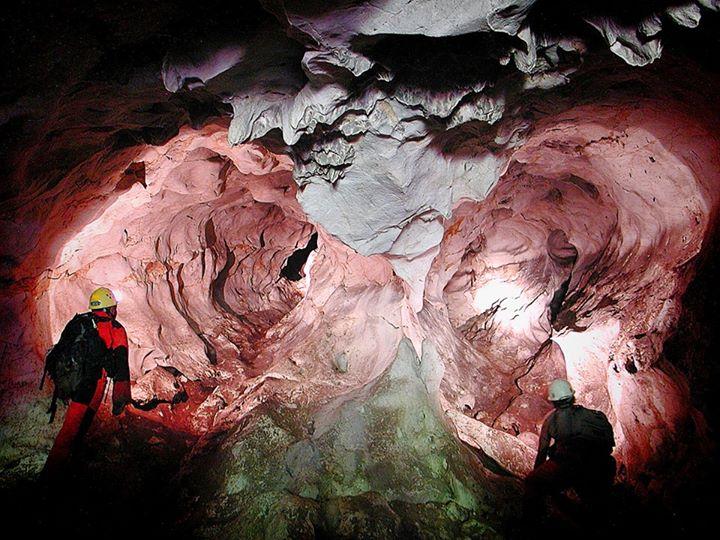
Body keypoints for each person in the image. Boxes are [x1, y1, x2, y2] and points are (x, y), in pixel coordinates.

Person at [42, 287, 131, 477]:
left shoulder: (80, 322)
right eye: (113, 307)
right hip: (91, 388)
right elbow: (120, 369)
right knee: (79, 427)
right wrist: (120, 400)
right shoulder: (116, 329)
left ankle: (51, 474)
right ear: (109, 309)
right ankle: (60, 472)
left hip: (74, 384)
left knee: (69, 429)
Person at [523, 379, 616, 527]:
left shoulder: (551, 421)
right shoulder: (596, 416)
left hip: (570, 467)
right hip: (603, 465)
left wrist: (539, 474)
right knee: (596, 503)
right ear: (572, 396)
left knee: (532, 482)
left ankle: (533, 525)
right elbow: (610, 445)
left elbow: (542, 453)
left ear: (553, 401)